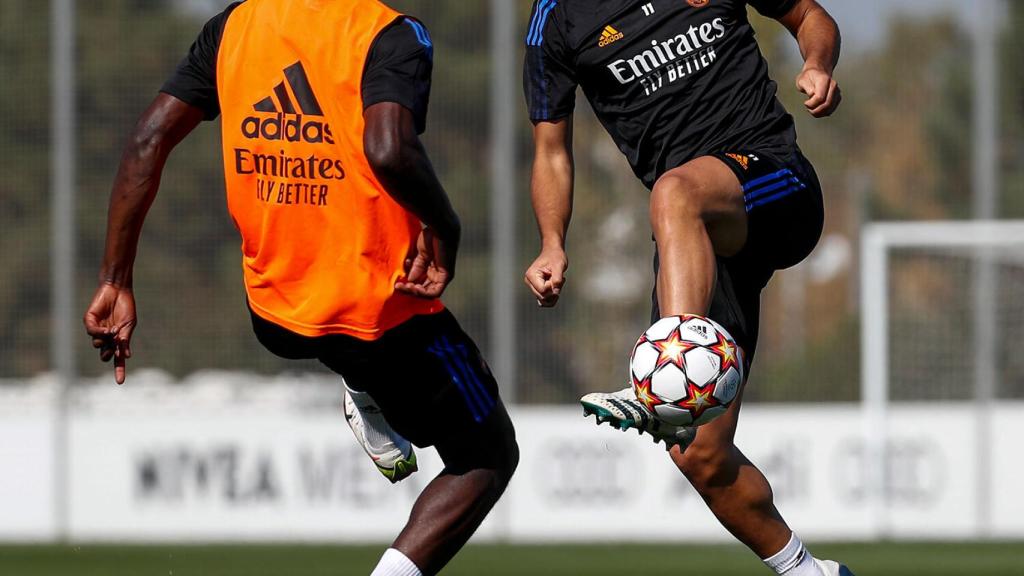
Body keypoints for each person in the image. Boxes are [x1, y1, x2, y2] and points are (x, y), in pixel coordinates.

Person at [83, 1, 518, 574]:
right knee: (486, 455)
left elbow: (147, 140)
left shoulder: (235, 25)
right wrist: (446, 225)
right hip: (380, 316)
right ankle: (368, 391)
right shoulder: (389, 34)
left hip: (274, 310)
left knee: (346, 346)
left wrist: (116, 278)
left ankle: (365, 388)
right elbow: (389, 149)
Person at [523, 0, 851, 575]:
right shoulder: (556, 18)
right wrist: (552, 242)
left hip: (776, 182)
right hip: (695, 237)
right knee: (700, 453)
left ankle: (668, 372)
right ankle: (809, 571)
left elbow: (807, 14)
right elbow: (552, 149)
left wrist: (818, 63)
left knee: (675, 194)